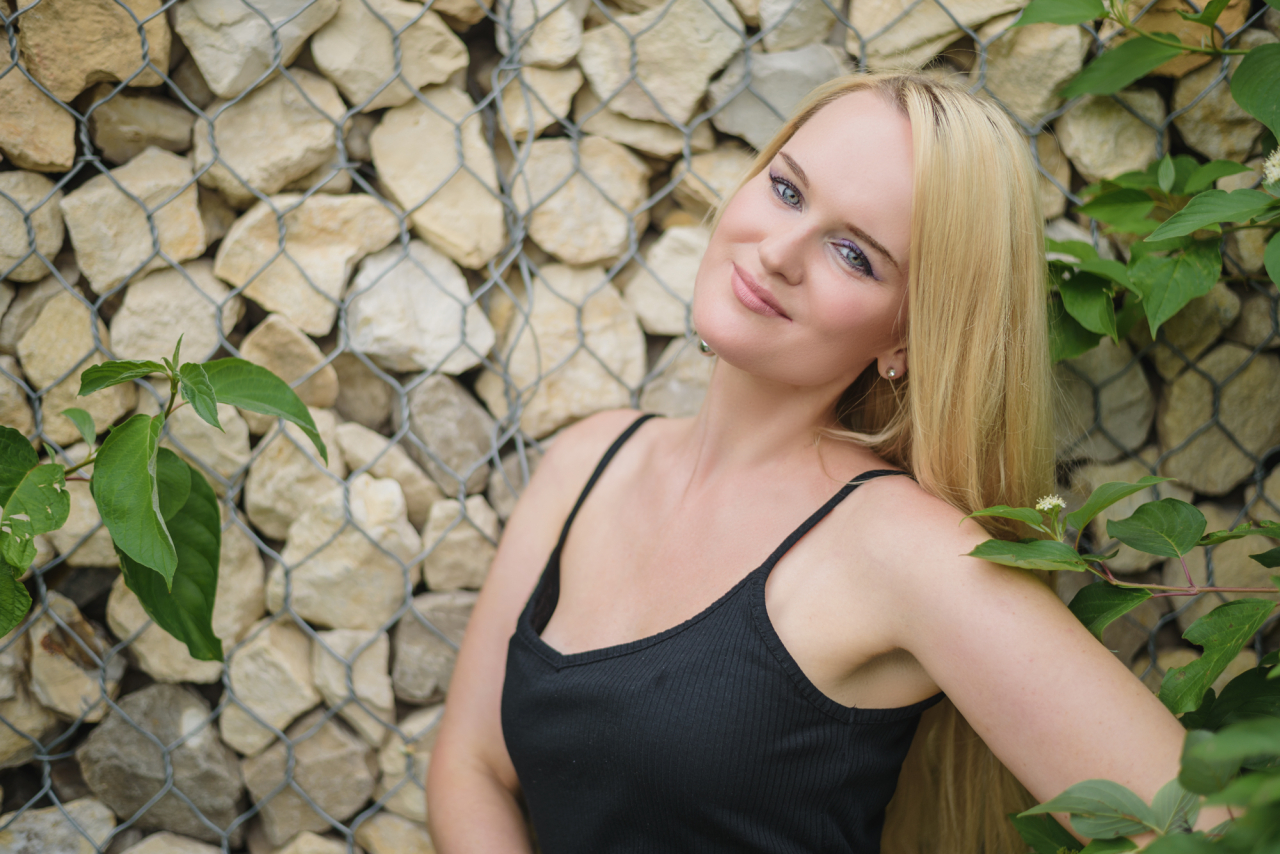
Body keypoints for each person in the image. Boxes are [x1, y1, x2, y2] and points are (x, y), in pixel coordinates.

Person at [425, 72, 1224, 853]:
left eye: (853, 254)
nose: (778, 251)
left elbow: (1204, 837)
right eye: (786, 190)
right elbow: (471, 766)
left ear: (907, 337)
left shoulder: (907, 550)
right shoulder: (589, 461)